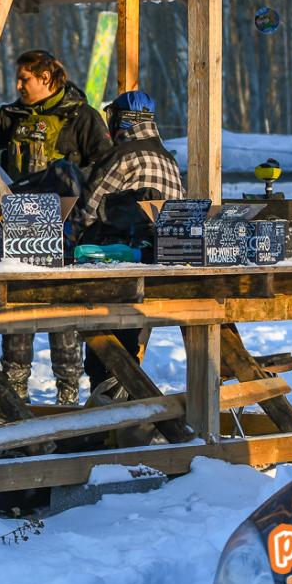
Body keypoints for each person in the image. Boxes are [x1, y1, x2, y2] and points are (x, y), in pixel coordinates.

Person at [0, 50, 112, 405]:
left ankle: (67, 392)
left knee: (61, 308)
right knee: (18, 306)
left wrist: (77, 195)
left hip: (65, 226)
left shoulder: (82, 116)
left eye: (25, 79)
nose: (18, 85)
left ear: (46, 77)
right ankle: (15, 389)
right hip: (20, 223)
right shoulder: (13, 115)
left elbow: (104, 165)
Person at [72, 90, 185, 393]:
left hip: (115, 265)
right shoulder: (168, 159)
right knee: (127, 345)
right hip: (157, 263)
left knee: (105, 348)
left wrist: (68, 240)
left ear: (123, 119)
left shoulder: (122, 156)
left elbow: (88, 209)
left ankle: (109, 409)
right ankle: (122, 402)